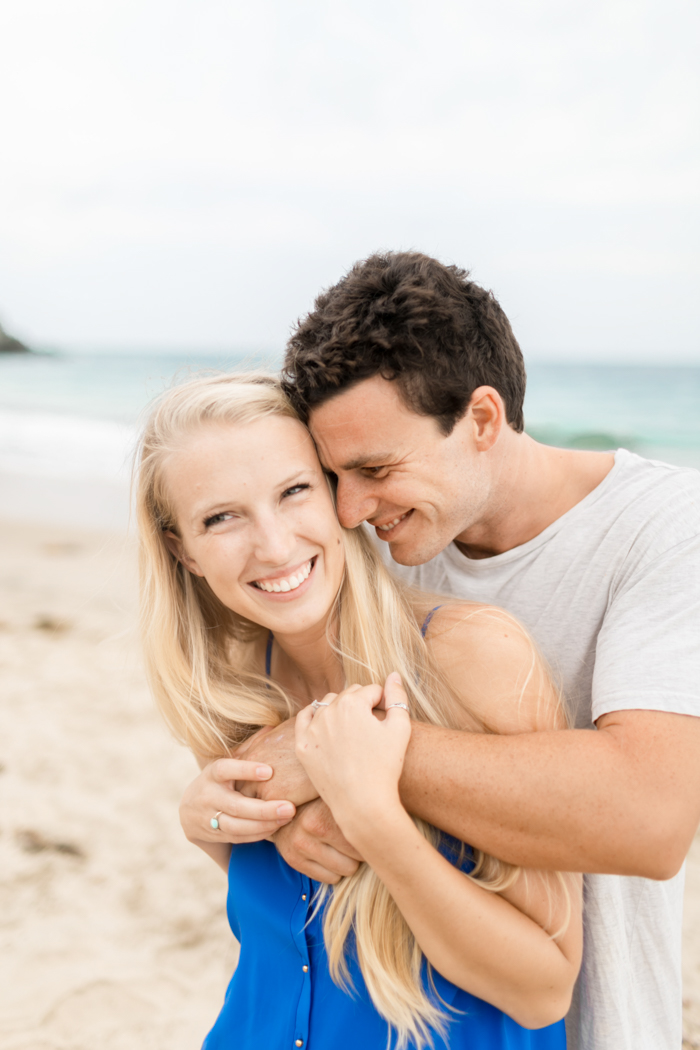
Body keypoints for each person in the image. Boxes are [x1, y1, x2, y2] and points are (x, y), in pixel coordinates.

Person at [181, 252, 700, 1050]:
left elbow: (653, 819)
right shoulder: (377, 536)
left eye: (375, 469)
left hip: (599, 1019)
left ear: (483, 420)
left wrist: (334, 758)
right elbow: (287, 769)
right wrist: (248, 815)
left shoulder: (665, 531)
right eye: (331, 475)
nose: (350, 508)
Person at [137, 372, 582, 1050]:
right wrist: (214, 827)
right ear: (183, 551)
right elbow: (304, 918)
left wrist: (375, 819)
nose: (276, 546)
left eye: (294, 492)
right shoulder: (231, 691)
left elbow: (543, 988)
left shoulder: (470, 657)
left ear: (340, 494)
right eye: (220, 517)